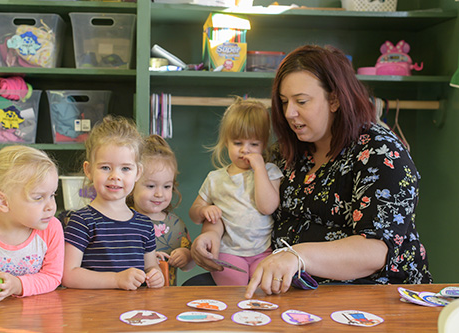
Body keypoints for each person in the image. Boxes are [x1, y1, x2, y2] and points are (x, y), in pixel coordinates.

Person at [191, 45, 432, 297]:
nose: (289, 113)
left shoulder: (381, 152)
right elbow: (243, 210)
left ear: (335, 100)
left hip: (374, 292)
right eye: (284, 102)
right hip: (291, 284)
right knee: (193, 292)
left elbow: (375, 251)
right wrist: (211, 235)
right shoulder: (285, 154)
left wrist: (296, 256)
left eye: (301, 101)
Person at [189, 97, 283, 285]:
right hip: (228, 252)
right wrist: (203, 210)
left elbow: (268, 207)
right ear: (226, 142)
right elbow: (194, 213)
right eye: (238, 143)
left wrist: (259, 169)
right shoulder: (216, 178)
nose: (245, 150)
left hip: (263, 252)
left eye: (254, 144)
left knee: (265, 288)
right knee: (234, 295)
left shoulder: (270, 172)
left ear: (264, 144)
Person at [63, 115, 164, 290]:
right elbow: (68, 275)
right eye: (105, 167)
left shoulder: (144, 224)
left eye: (125, 168)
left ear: (138, 172)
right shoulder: (81, 221)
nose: (115, 176)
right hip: (94, 313)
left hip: (134, 313)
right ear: (88, 170)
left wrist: (156, 275)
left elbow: (150, 266)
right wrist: (116, 280)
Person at [0, 145, 63, 303]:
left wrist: (18, 285)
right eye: (38, 197)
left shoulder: (52, 228)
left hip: (37, 313)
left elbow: (53, 277)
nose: (51, 206)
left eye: (52, 194)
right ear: (3, 201)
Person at [128, 134, 194, 286]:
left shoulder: (176, 225)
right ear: (132, 185)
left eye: (167, 186)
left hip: (165, 298)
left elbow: (189, 265)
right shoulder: (123, 220)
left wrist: (185, 256)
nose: (159, 194)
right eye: (151, 186)